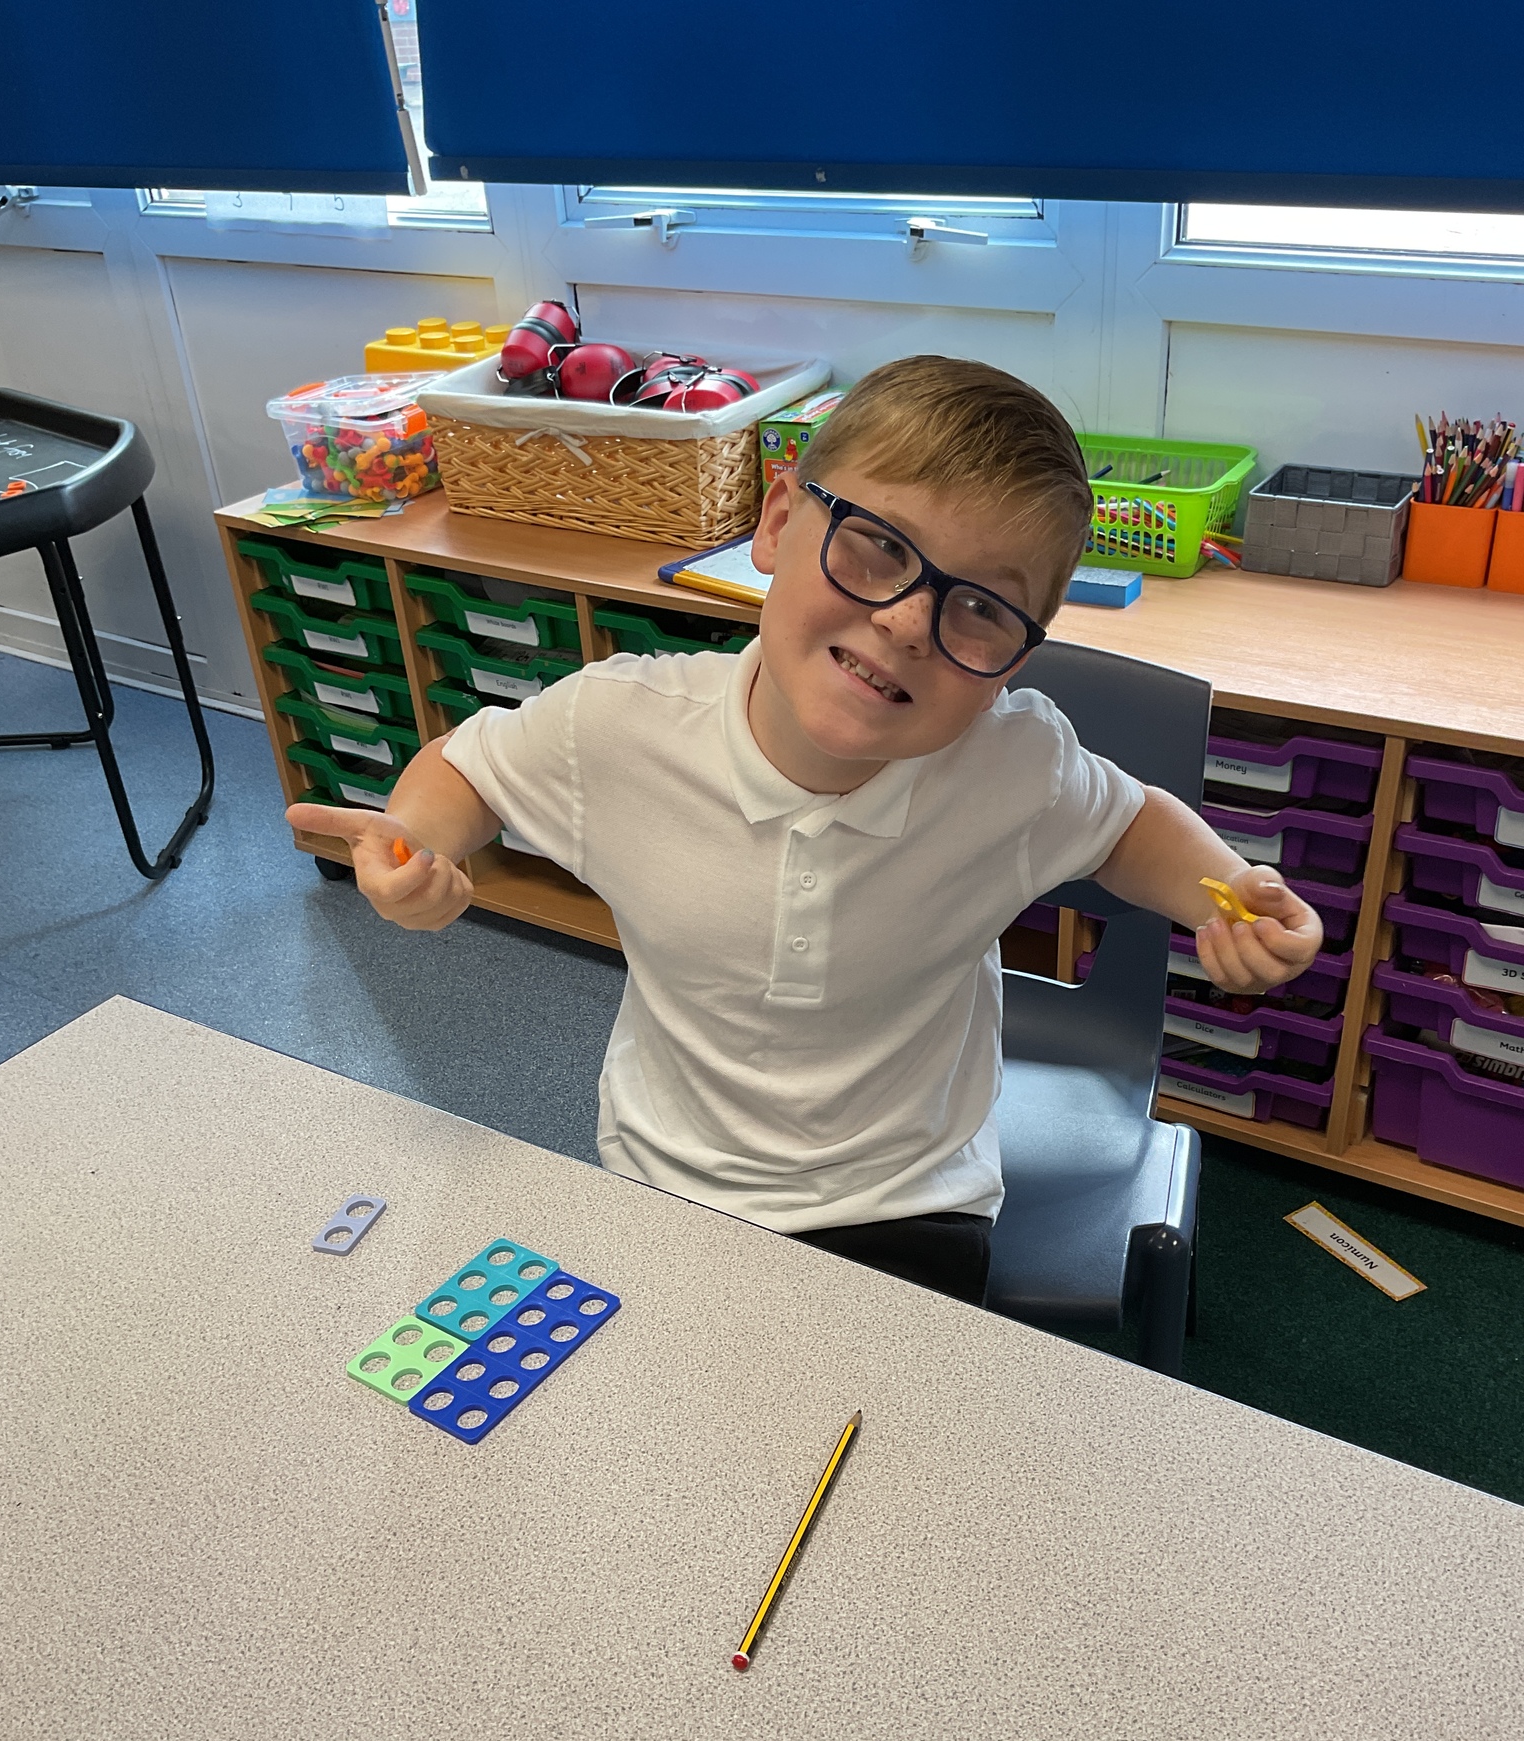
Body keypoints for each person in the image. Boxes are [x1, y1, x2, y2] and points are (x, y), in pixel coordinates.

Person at [289, 356, 1322, 1306]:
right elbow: (468, 765)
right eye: (879, 547)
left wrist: (1229, 891)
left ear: (1015, 662)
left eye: (980, 609)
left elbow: (1130, 825)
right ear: (779, 521)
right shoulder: (618, 723)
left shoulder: (1014, 764)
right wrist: (413, 843)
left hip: (910, 1198)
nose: (908, 621)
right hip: (664, 1173)